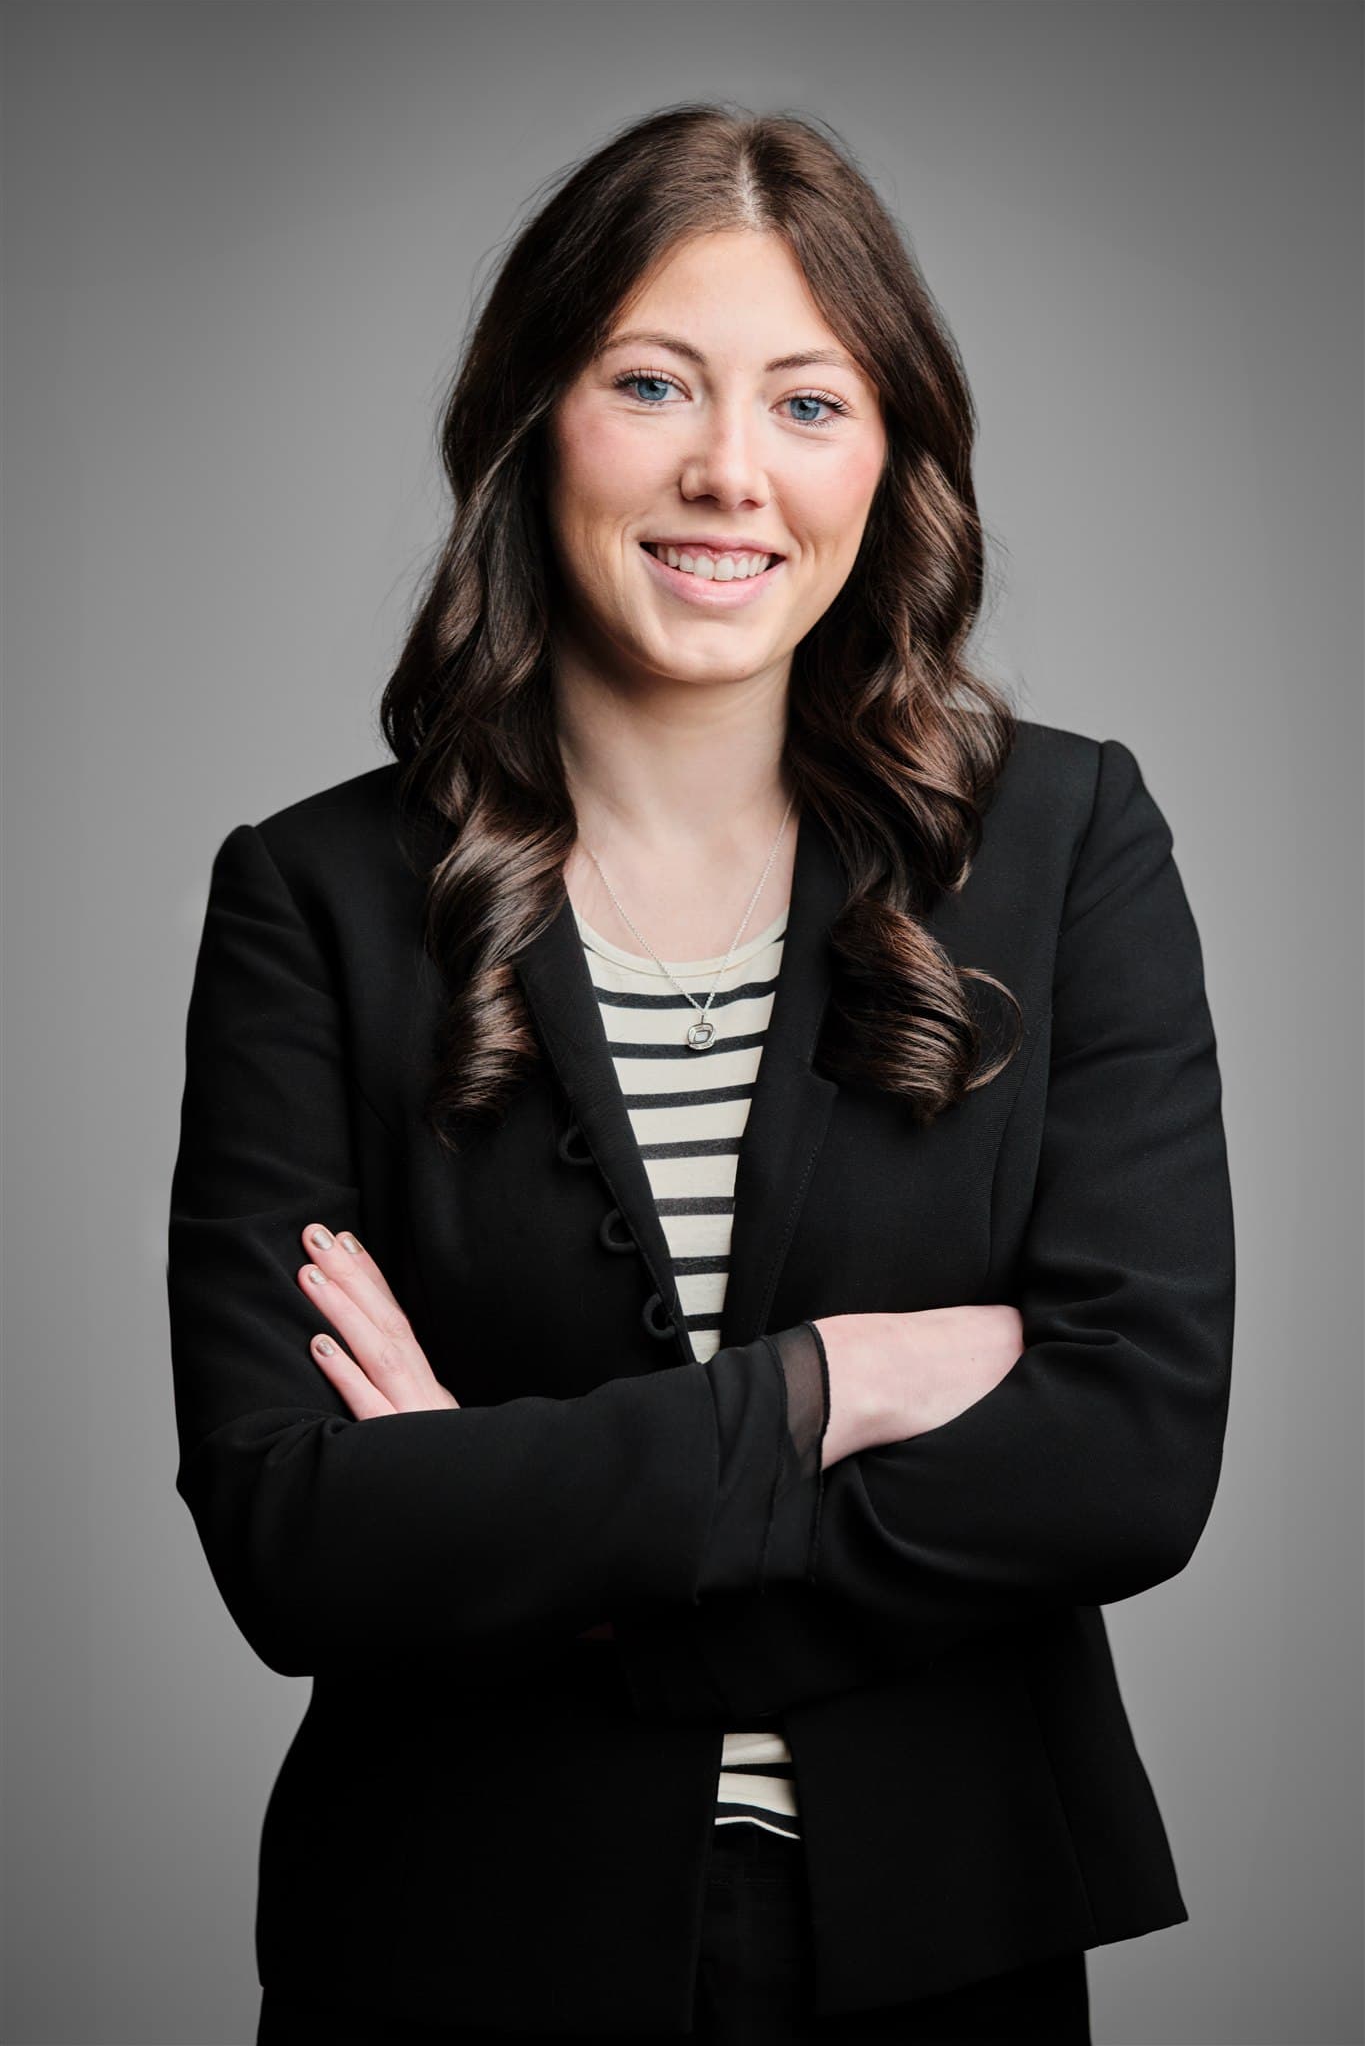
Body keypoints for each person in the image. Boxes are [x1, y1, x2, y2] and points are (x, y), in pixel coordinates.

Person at [166, 103, 1235, 2045]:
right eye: (650, 381)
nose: (727, 470)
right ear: (531, 416)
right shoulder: (309, 898)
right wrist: (841, 1382)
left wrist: (526, 1535)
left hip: (945, 1945)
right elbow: (297, 1537)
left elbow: (1127, 1458)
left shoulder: (1067, 843)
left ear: (887, 453)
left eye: (806, 402)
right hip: (449, 1950)